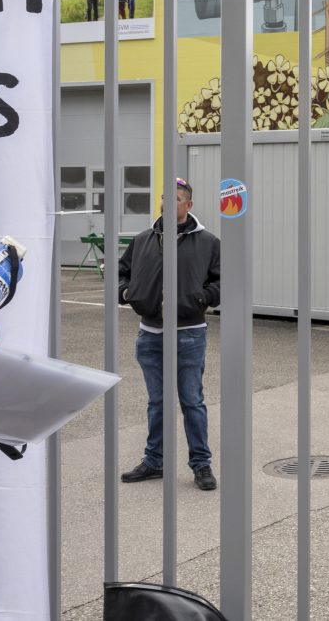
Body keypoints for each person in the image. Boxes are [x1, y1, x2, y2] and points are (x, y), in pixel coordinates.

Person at [118, 178, 220, 491]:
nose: (168, 202)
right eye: (165, 197)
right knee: (157, 402)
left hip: (189, 335)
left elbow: (222, 282)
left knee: (192, 402)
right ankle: (154, 462)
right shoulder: (144, 239)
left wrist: (200, 298)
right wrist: (125, 292)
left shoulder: (208, 242)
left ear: (188, 205)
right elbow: (121, 271)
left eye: (176, 198)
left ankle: (201, 465)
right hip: (150, 336)